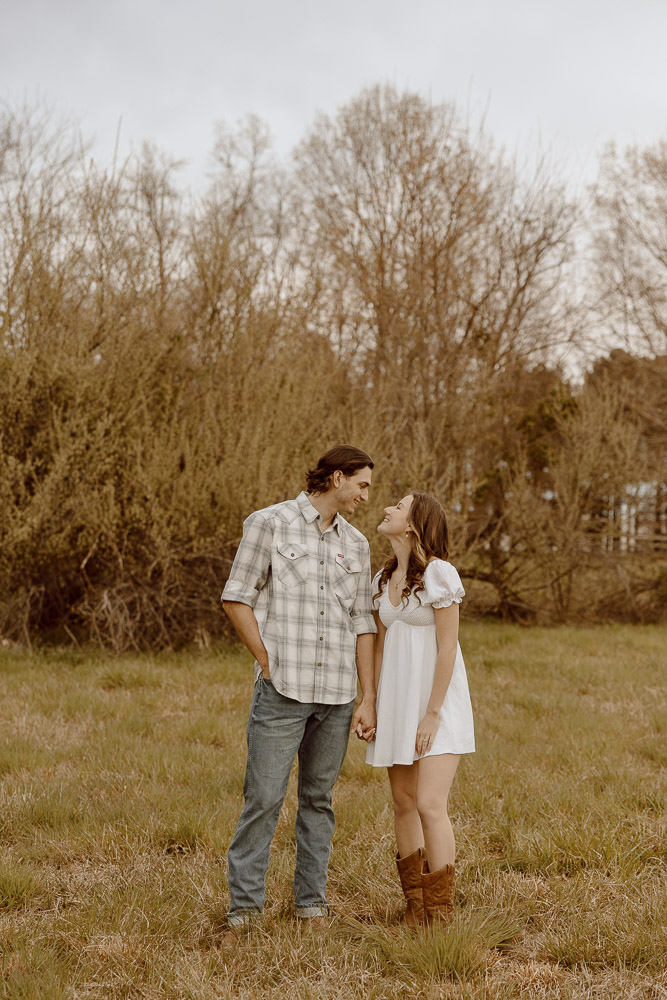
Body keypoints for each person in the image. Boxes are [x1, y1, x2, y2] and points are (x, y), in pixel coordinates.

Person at [220, 445, 377, 939]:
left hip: (336, 695)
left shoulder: (357, 543)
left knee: (319, 800)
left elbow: (362, 621)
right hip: (282, 690)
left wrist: (367, 695)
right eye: (362, 485)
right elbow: (236, 596)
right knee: (263, 798)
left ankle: (311, 904)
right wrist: (267, 661)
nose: (366, 496)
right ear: (335, 478)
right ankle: (244, 911)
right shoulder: (269, 522)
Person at [365, 491, 474, 927]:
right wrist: (369, 701)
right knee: (403, 803)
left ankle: (440, 915)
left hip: (436, 704)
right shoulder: (383, 579)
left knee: (430, 804)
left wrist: (432, 714)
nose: (387, 508)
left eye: (398, 506)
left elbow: (447, 649)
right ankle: (414, 908)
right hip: (397, 701)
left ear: (412, 525)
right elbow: (377, 644)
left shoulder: (439, 575)